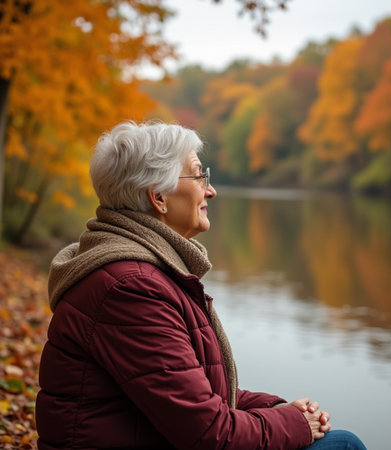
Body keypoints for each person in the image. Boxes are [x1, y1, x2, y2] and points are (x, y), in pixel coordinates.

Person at [36, 121, 366, 449]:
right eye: (198, 175)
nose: (211, 190)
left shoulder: (140, 272)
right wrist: (295, 424)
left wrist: (275, 408)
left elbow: (192, 390)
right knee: (343, 445)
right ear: (159, 197)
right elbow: (210, 435)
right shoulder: (131, 288)